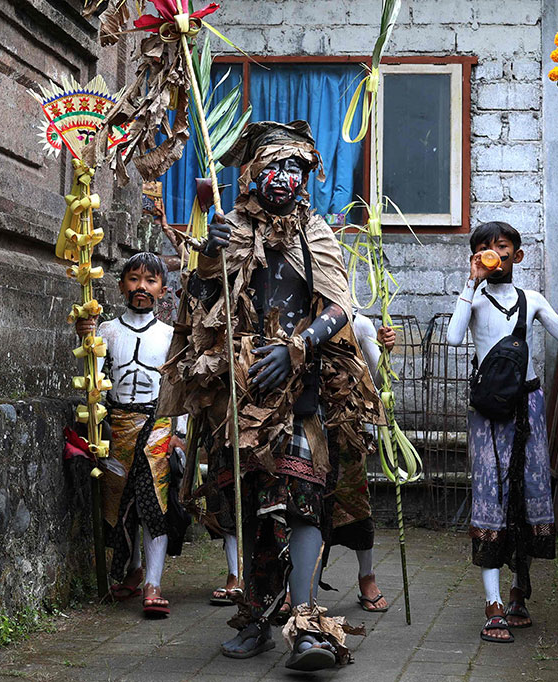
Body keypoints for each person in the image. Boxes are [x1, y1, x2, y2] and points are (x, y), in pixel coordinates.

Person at [158, 120, 378, 671]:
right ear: (253, 173)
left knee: (302, 502)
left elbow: (340, 307)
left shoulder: (316, 233)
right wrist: (207, 262)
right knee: (249, 504)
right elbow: (200, 307)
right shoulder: (229, 227)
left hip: (299, 391)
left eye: (295, 168)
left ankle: (305, 623)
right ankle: (257, 616)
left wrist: (296, 348)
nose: (284, 177)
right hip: (239, 390)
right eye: (274, 166)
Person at [446, 221, 558, 644]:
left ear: (517, 255)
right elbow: (454, 339)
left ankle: (519, 590)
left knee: (529, 492)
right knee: (491, 495)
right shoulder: (473, 299)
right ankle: (493, 605)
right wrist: (469, 284)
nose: (495, 254)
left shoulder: (533, 299)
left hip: (529, 407)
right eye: (484, 248)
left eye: (502, 246)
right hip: (488, 412)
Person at [74, 252, 187, 618]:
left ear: (163, 290)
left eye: (150, 281)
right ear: (122, 286)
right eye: (134, 279)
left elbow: (178, 388)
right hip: (117, 425)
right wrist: (86, 340)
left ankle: (153, 583)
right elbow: (94, 382)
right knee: (120, 505)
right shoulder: (106, 332)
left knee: (154, 504)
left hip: (158, 426)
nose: (142, 287)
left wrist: (180, 434)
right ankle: (133, 570)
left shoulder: (170, 336)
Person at [324, 315, 396, 613]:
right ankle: (296, 584)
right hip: (309, 428)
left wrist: (384, 352)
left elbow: (376, 383)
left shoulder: (359, 324)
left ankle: (367, 577)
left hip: (348, 433)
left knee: (357, 504)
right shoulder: (302, 317)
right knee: (304, 508)